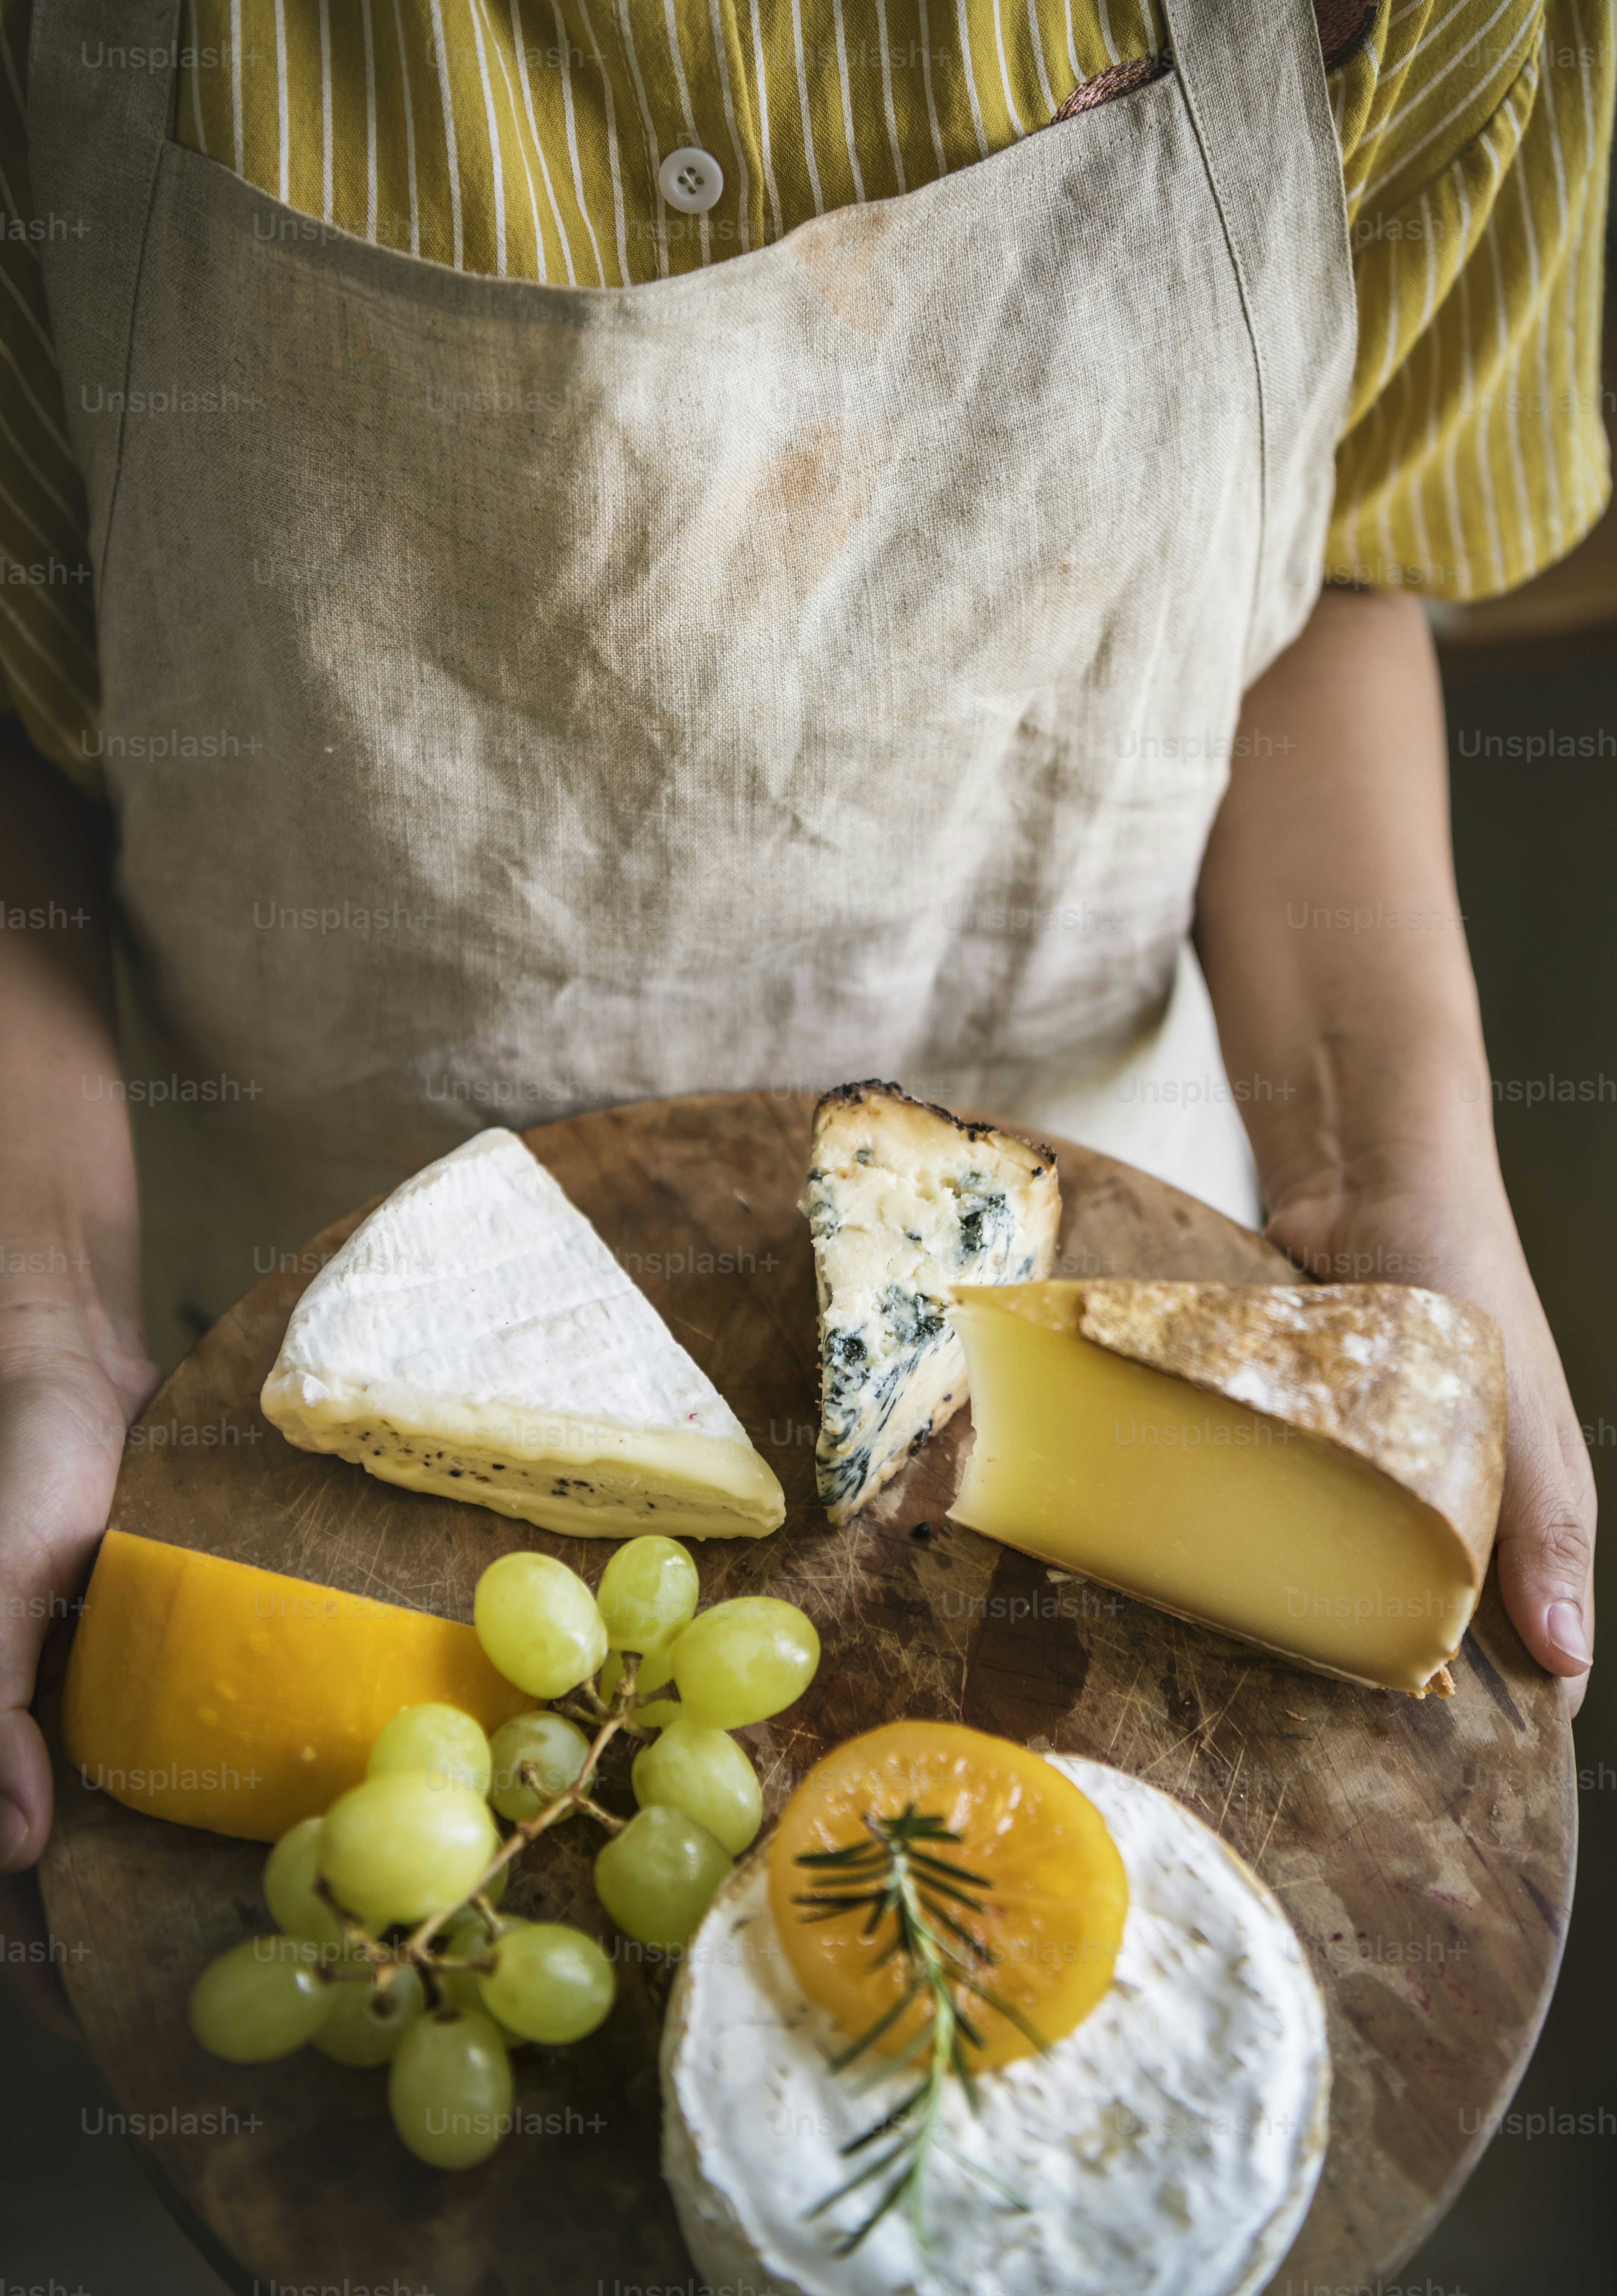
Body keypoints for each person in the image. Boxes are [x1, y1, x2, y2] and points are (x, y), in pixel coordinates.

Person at [0, 0, 1603, 1903]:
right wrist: (41, 1313)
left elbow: (1332, 556)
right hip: (271, 1270)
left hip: (1097, 1281)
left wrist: (1388, 1163)